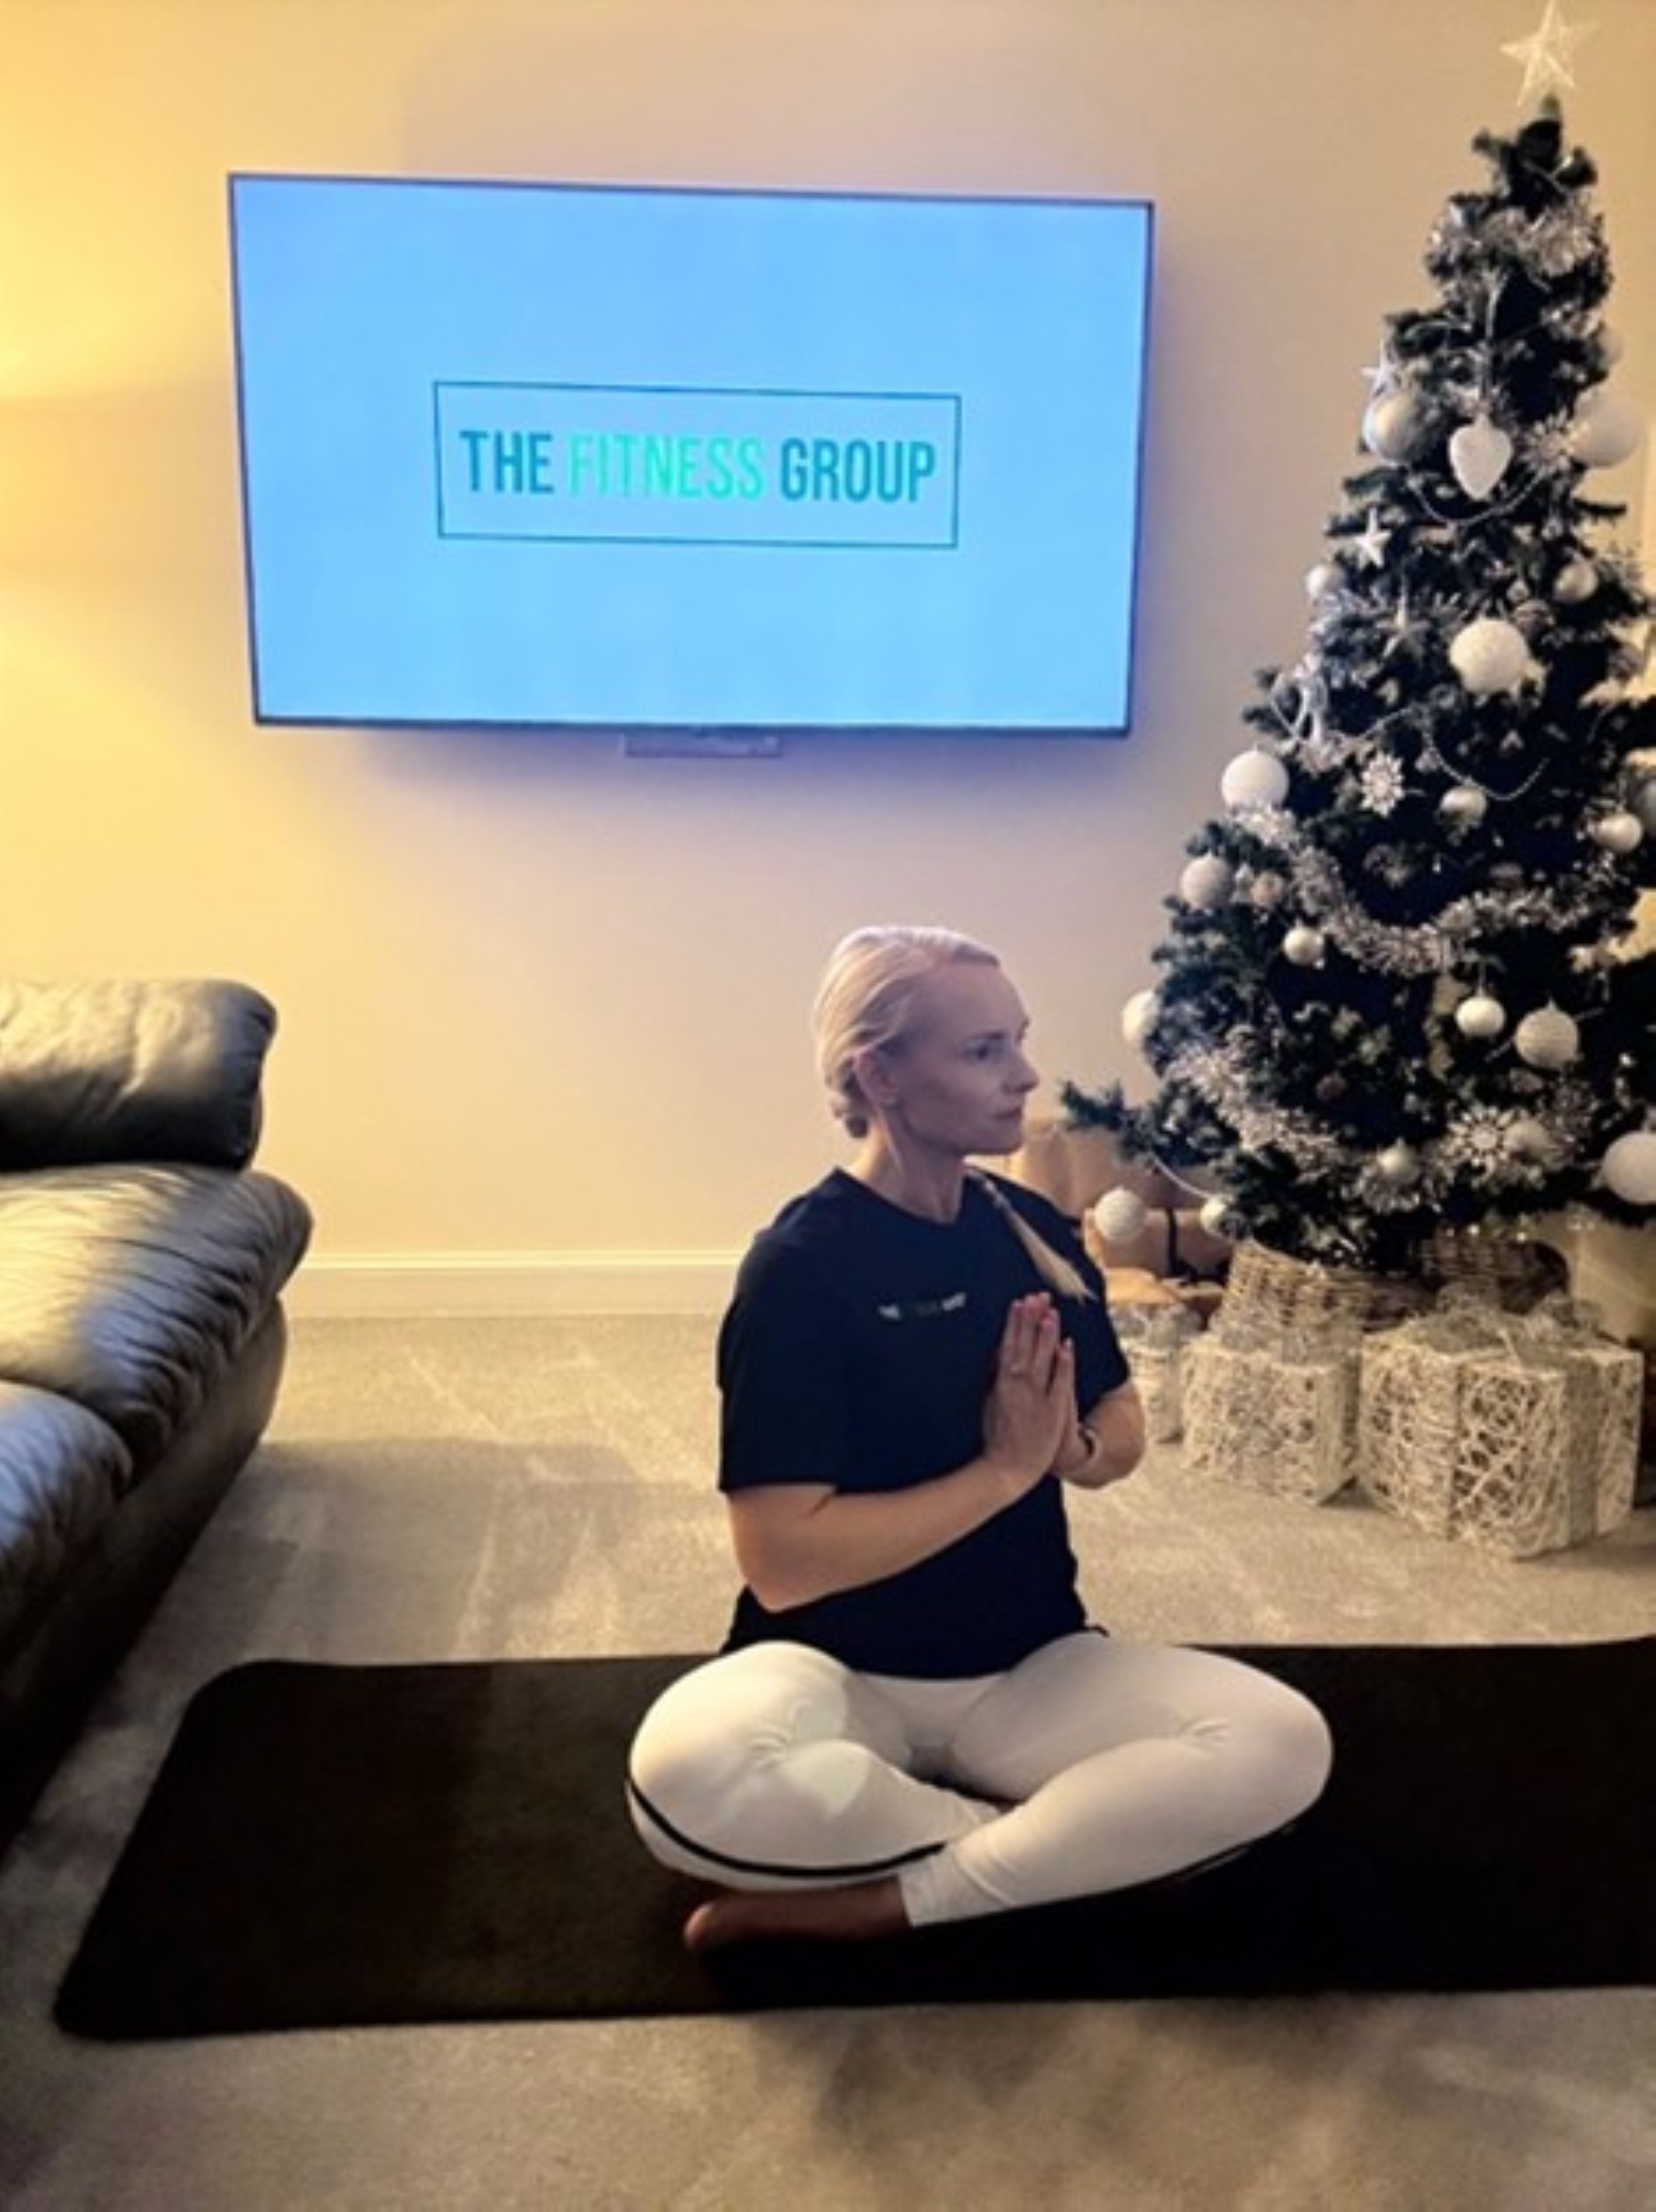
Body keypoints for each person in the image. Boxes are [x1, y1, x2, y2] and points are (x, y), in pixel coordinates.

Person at [627, 925, 1333, 1949]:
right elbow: (783, 1562)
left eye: (1018, 1041)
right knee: (685, 1780)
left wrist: (1070, 1454)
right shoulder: (800, 1267)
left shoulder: (1027, 1226)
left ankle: (894, 1903)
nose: (1027, 1076)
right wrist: (1003, 1472)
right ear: (881, 1073)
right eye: (983, 1051)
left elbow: (1119, 1425)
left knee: (1282, 1744)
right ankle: (1057, 1856)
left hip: (1026, 1670)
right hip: (830, 1672)